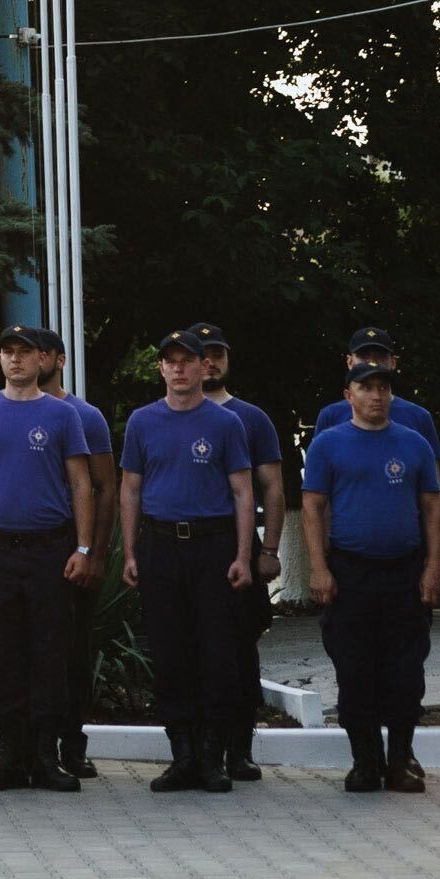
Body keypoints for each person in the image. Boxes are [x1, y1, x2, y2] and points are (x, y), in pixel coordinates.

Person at [0, 326, 95, 792]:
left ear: (42, 360)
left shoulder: (62, 414)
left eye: (25, 353)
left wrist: (85, 548)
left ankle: (46, 756)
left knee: (51, 654)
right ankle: (9, 755)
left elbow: (80, 484)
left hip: (49, 549)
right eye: (8, 352)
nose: (16, 360)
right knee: (3, 653)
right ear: (0, 359)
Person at [116, 329, 257, 794]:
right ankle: (182, 756)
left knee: (217, 653)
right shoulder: (142, 421)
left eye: (187, 361)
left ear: (203, 367)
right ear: (160, 368)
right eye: (170, 361)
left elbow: (242, 490)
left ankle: (213, 758)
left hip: (212, 545)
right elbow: (131, 488)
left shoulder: (224, 424)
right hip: (160, 546)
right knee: (170, 653)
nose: (178, 368)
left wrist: (243, 555)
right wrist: (131, 551)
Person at [300, 362, 440, 794]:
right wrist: (320, 568)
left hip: (404, 571)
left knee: (405, 670)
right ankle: (364, 760)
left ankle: (400, 760)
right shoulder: (328, 444)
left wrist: (434, 566)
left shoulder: (413, 443)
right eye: (366, 388)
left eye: (383, 388)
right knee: (354, 668)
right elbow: (312, 507)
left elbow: (434, 507)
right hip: (350, 572)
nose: (376, 396)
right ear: (349, 395)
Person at [195, 323, 284, 781]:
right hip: (185, 551)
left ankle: (240, 748)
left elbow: (271, 487)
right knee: (191, 651)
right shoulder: (167, 414)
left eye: (217, 352)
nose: (209, 361)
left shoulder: (251, 418)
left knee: (239, 652)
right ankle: (194, 750)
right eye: (202, 353)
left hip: (238, 548)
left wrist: (267, 549)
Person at [27, 328, 116, 777]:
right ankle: (27, 748)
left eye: (42, 353)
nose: (33, 360)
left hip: (70, 547)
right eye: (26, 352)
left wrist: (96, 554)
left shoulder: (85, 416)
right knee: (26, 652)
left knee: (71, 652)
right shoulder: (1, 408)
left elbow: (104, 489)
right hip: (24, 550)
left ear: (59, 360)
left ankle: (72, 744)